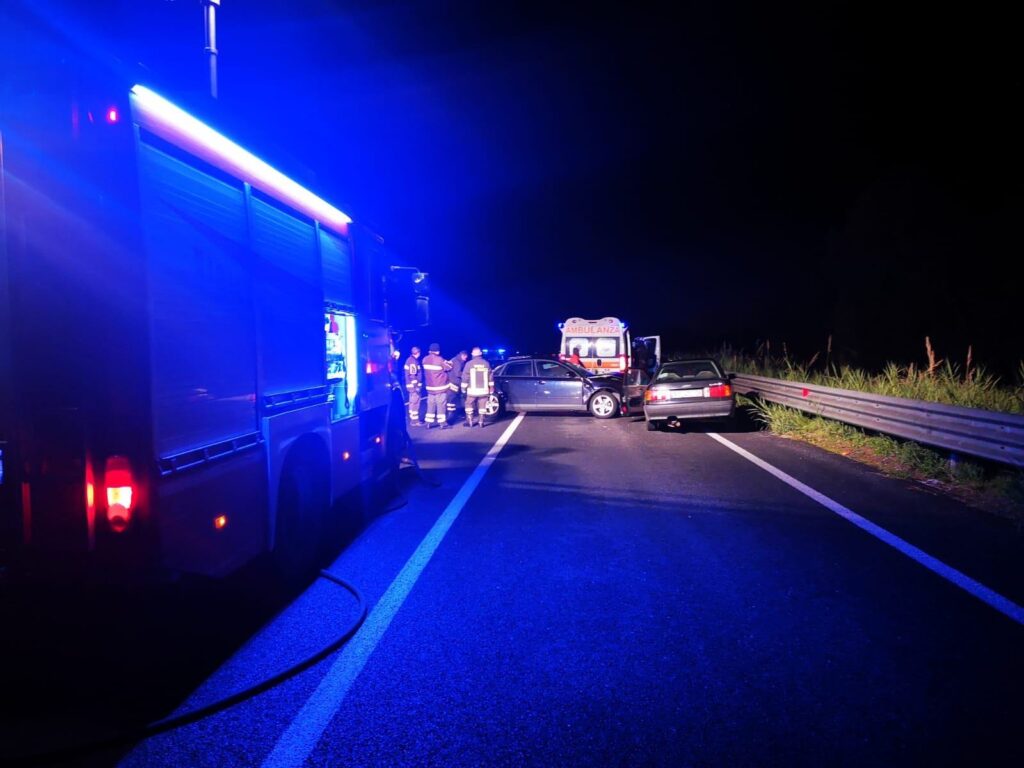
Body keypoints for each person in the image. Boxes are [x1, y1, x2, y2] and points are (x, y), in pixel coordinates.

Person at [462, 347, 494, 428]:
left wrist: (463, 388)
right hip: (483, 390)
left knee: (469, 404)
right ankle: (481, 421)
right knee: (482, 405)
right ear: (481, 354)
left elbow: (465, 377)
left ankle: (470, 421)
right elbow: (490, 377)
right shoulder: (486, 363)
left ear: (472, 354)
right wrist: (491, 387)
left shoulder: (469, 364)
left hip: (472, 390)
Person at [421, 342, 450, 429]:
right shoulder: (440, 360)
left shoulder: (425, 360)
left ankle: (428, 423)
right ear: (437, 351)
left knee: (431, 404)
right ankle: (442, 423)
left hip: (430, 387)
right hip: (440, 386)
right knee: (441, 404)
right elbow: (448, 367)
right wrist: (448, 362)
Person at [446, 349, 469, 425]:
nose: (466, 359)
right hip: (454, 383)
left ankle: (453, 415)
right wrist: (465, 374)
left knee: (454, 400)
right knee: (452, 400)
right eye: (465, 357)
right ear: (463, 355)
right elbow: (457, 373)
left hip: (453, 383)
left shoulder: (456, 360)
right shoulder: (457, 362)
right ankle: (450, 418)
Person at [403, 346, 423, 425]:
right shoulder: (413, 362)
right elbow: (412, 375)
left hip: (410, 386)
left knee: (412, 402)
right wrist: (416, 386)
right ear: (417, 353)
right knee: (415, 402)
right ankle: (415, 420)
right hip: (414, 387)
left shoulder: (409, 360)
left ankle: (412, 419)